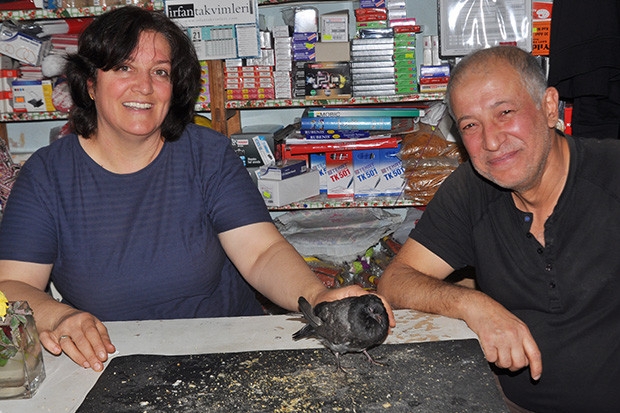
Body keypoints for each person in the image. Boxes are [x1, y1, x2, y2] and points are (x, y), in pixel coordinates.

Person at [0, 7, 393, 374]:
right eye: (124, 67)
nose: (144, 86)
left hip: (226, 353)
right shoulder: (47, 175)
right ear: (90, 83)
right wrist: (59, 317)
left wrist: (316, 297)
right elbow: (12, 285)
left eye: (160, 72)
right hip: (108, 363)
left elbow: (261, 253)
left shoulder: (207, 154)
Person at [377, 45, 620, 413]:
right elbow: (395, 281)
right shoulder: (470, 191)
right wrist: (474, 305)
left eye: (505, 113)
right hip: (508, 404)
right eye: (470, 125)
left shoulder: (611, 173)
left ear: (549, 107)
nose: (491, 141)